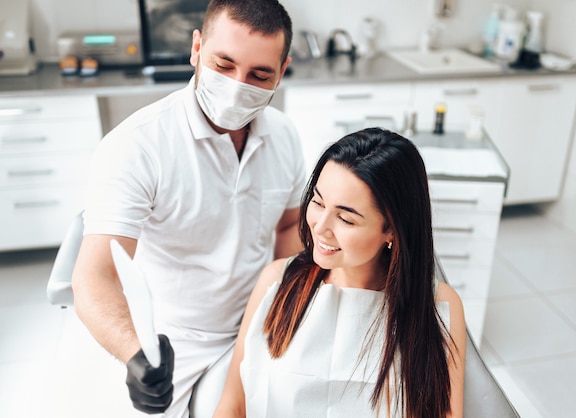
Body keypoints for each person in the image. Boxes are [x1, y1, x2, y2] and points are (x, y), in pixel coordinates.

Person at [71, 0, 306, 416]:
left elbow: (288, 226)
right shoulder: (137, 146)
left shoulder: (284, 136)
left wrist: (284, 304)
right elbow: (94, 275)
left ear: (281, 71)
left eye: (259, 75)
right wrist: (136, 353)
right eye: (224, 64)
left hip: (259, 323)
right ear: (196, 48)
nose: (237, 85)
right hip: (172, 339)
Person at [214, 128, 467, 418]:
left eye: (345, 218)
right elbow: (232, 406)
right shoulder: (276, 282)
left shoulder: (438, 305)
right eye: (318, 202)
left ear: (392, 229)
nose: (320, 227)